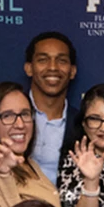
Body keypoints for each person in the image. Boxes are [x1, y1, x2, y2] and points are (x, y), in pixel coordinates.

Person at [23, 31, 78, 184]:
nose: (53, 67)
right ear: (29, 68)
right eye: (43, 60)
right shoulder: (1, 112)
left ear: (72, 71)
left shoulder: (83, 125)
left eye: (61, 60)